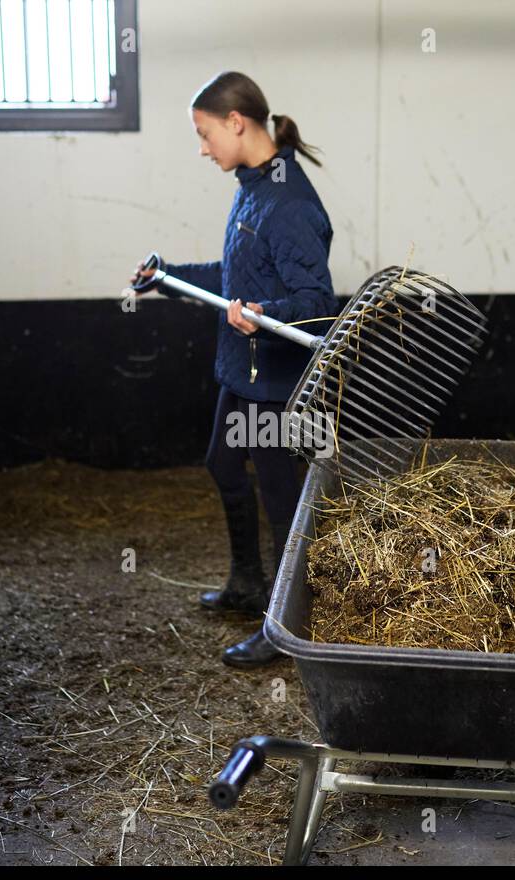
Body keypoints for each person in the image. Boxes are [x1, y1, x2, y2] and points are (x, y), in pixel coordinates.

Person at [130, 71, 338, 668]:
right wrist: (167, 278)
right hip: (240, 369)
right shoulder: (253, 184)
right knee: (222, 461)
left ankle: (288, 623)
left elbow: (317, 302)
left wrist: (267, 312)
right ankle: (248, 584)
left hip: (274, 382)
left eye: (204, 133)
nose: (202, 148)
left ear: (236, 123)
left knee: (281, 496)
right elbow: (235, 275)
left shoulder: (290, 201)